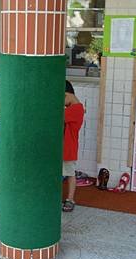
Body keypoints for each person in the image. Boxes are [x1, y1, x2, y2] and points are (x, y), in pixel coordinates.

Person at [62, 80, 85, 212]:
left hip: (68, 148)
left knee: (70, 174)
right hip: (65, 148)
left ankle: (70, 199)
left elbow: (58, 116)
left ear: (67, 95)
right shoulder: (75, 108)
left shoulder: (76, 109)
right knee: (67, 173)